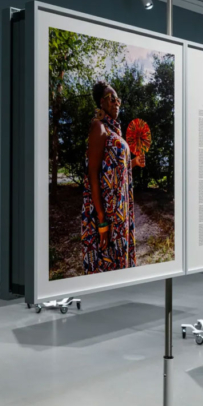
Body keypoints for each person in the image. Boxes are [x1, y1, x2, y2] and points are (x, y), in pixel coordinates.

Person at [82, 81, 144, 274]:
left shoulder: (115, 132)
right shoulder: (99, 128)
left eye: (118, 99)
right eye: (111, 98)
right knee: (104, 264)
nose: (116, 102)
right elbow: (92, 174)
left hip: (119, 214)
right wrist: (101, 221)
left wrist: (134, 162)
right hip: (107, 216)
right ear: (102, 102)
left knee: (118, 265)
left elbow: (116, 169)